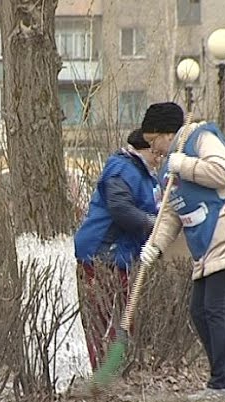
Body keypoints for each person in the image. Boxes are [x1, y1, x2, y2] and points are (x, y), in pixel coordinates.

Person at [138, 102, 225, 401]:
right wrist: (154, 245)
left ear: (167, 133)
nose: (153, 151)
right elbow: (171, 212)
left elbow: (221, 173)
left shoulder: (200, 139)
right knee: (199, 310)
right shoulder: (169, 166)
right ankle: (222, 378)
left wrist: (185, 165)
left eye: (153, 142)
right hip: (206, 245)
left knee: (214, 308)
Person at [74, 128, 163, 372]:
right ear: (142, 148)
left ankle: (111, 370)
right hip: (103, 253)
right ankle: (99, 372)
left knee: (121, 316)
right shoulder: (122, 169)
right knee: (103, 317)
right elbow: (121, 208)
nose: (159, 157)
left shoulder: (148, 176)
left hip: (122, 256)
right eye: (155, 151)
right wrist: (153, 225)